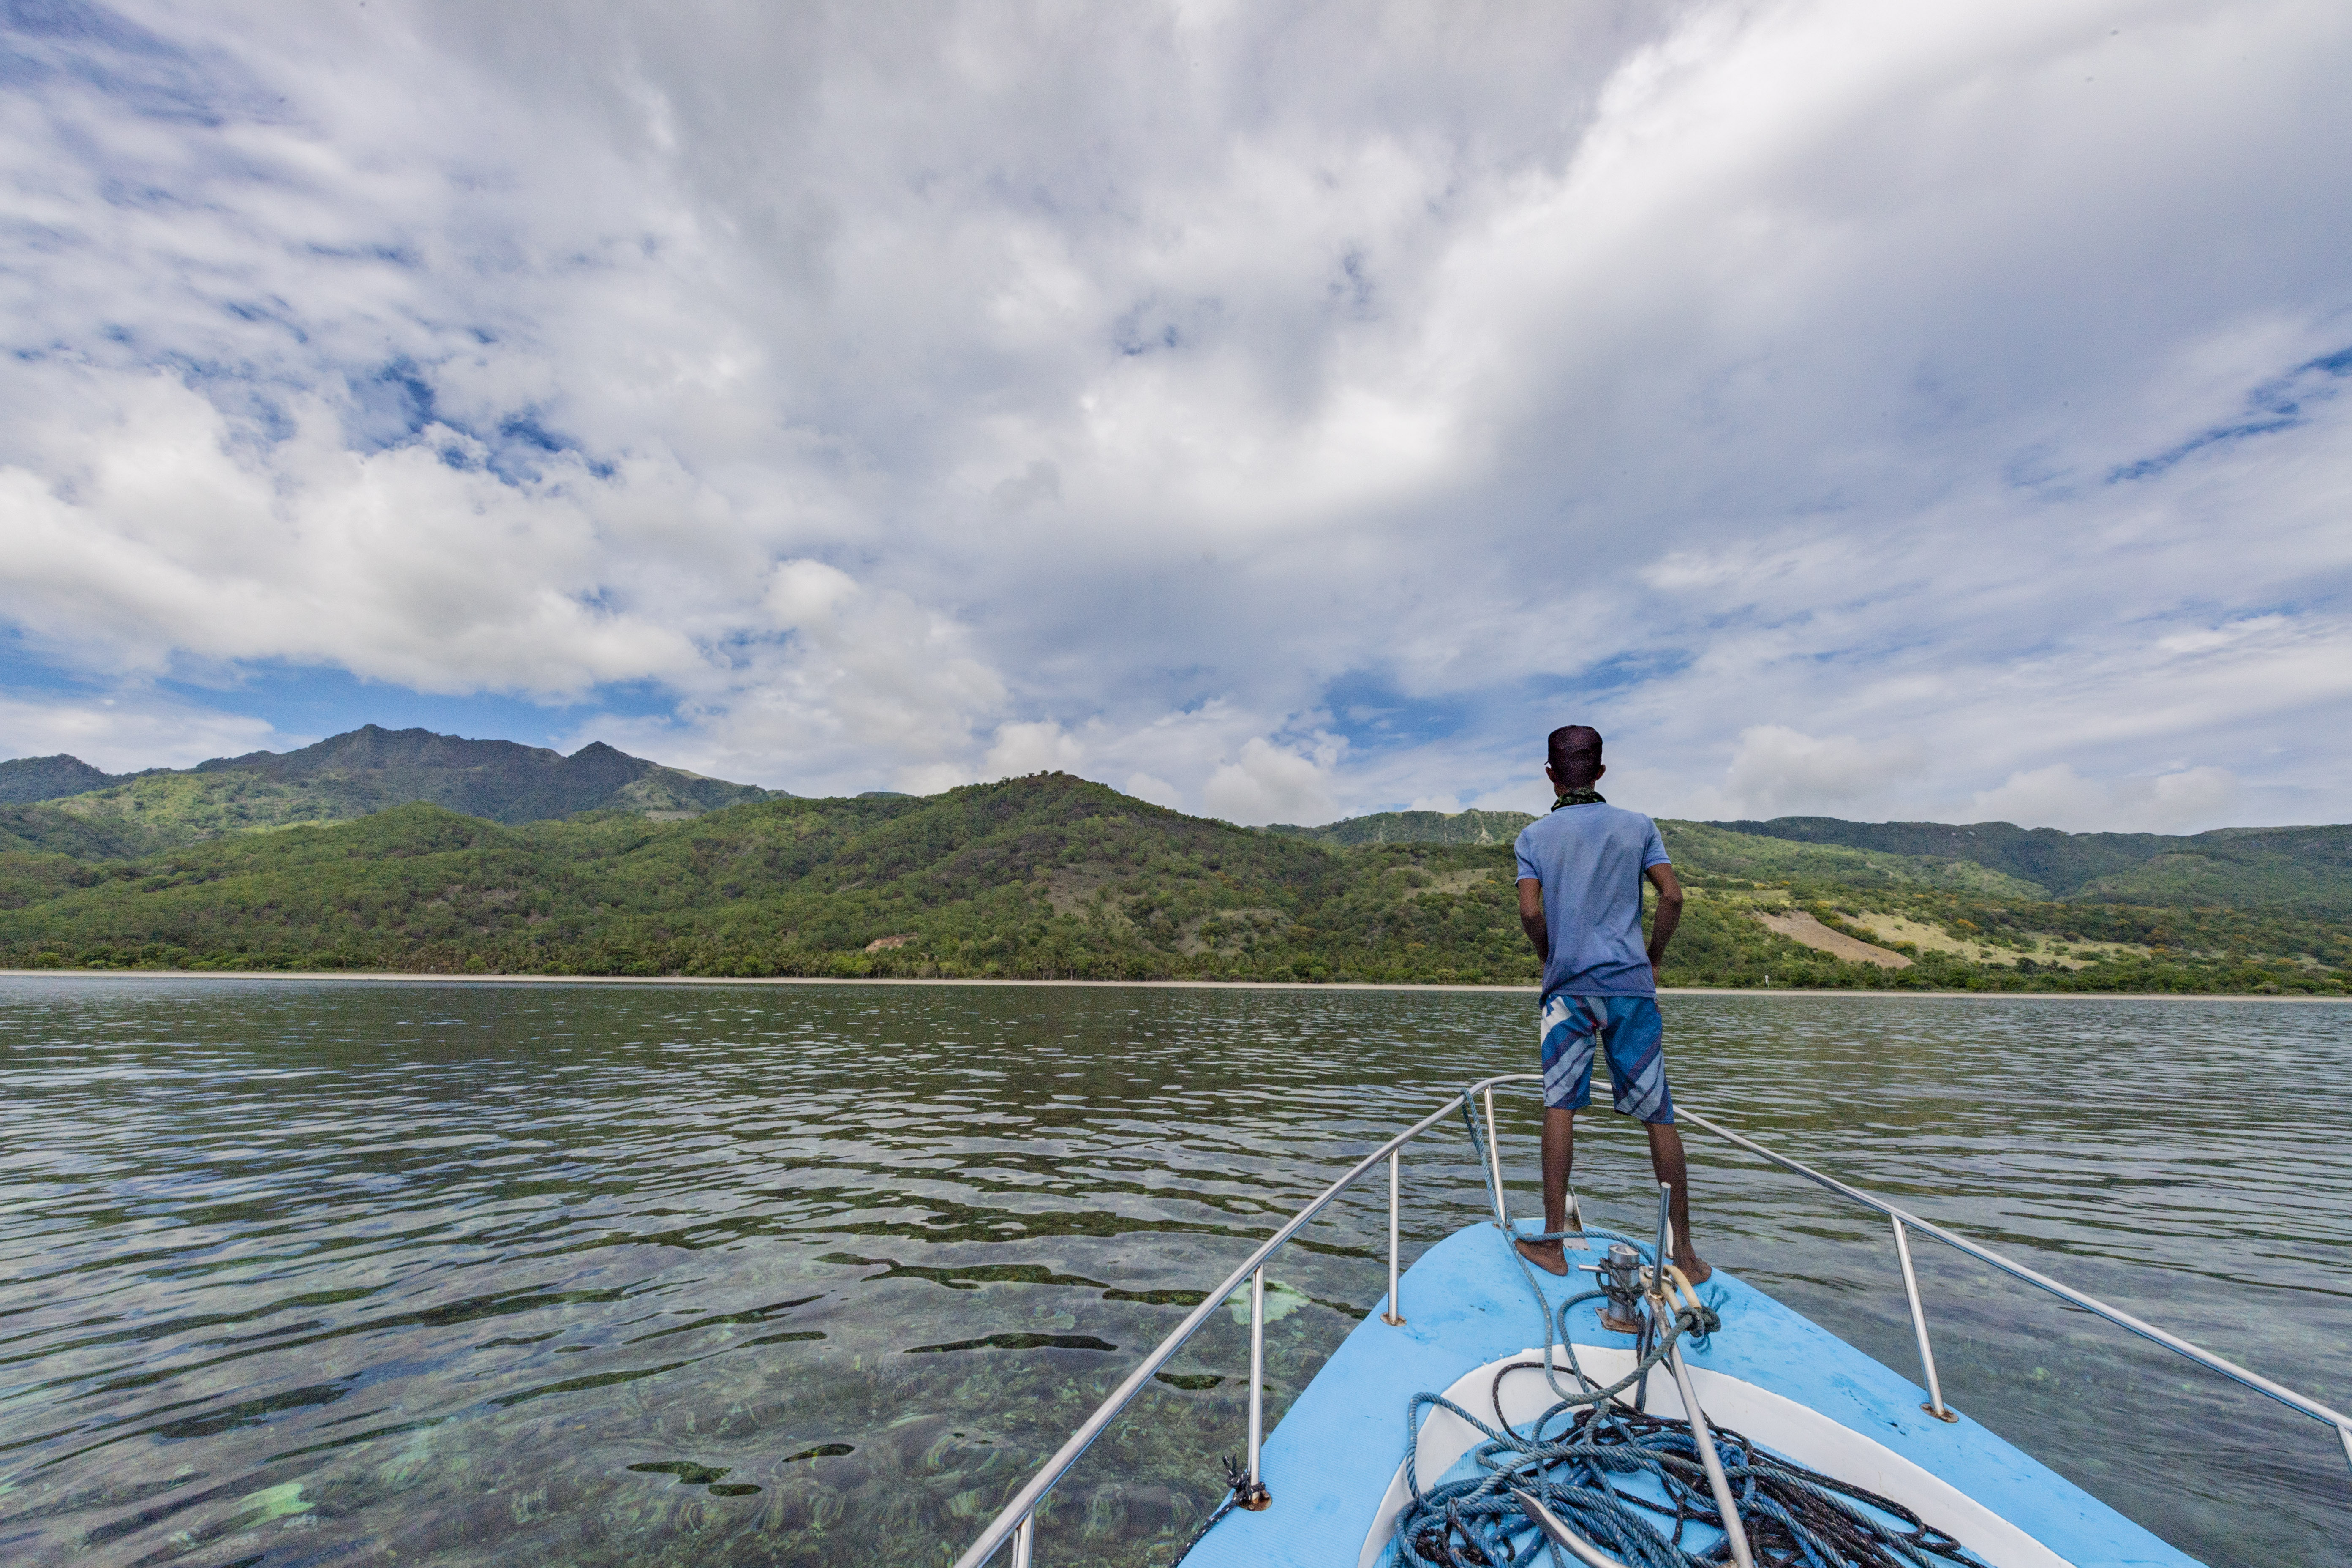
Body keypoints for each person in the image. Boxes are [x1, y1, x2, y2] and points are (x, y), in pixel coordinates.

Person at [1510, 724, 1709, 1282]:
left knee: (1560, 1106)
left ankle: (1553, 1245)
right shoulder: (1638, 827)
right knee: (1658, 1115)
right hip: (1630, 989)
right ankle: (1685, 1255)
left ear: (1551, 775)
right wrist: (1653, 957)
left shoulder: (1533, 838)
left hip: (1568, 993)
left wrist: (1550, 957)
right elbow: (1673, 896)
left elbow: (1530, 911)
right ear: (1600, 771)